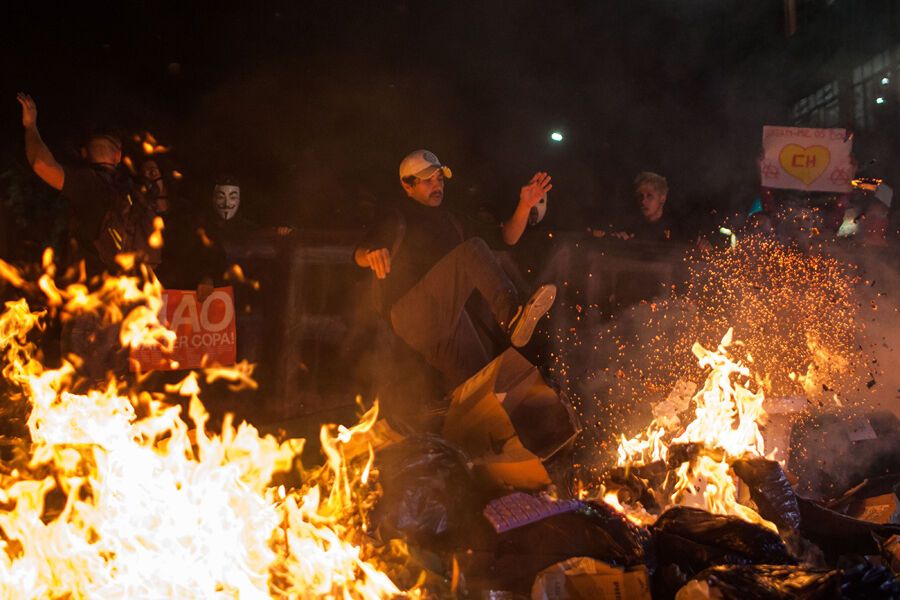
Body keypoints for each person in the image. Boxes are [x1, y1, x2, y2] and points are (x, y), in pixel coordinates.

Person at [354, 149, 556, 388]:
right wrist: (371, 254)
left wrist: (525, 204)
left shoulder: (453, 220)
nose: (436, 186)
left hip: (443, 319)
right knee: (471, 250)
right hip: (411, 312)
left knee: (481, 386)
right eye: (427, 181)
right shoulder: (397, 214)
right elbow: (359, 253)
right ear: (407, 186)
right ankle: (511, 315)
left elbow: (507, 238)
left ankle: (469, 424)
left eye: (439, 179)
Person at [17, 92, 157, 275]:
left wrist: (31, 126)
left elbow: (41, 164)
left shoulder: (88, 183)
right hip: (132, 292)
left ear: (84, 153)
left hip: (91, 294)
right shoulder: (133, 191)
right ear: (118, 156)